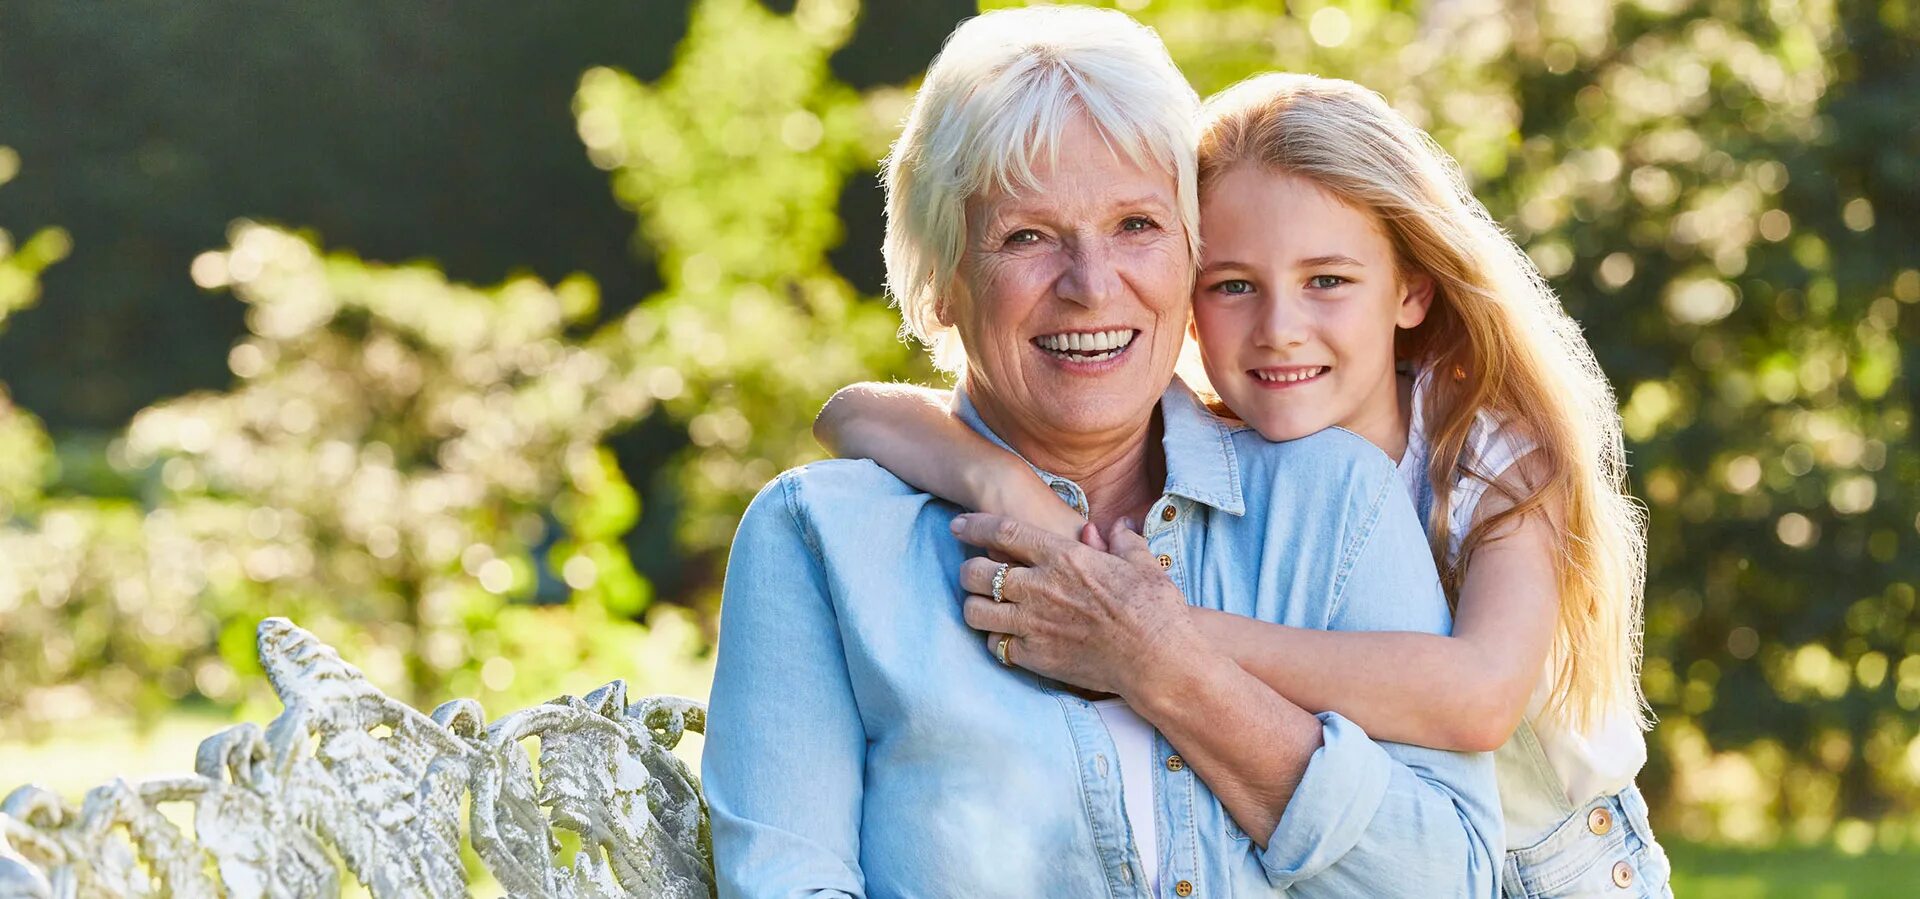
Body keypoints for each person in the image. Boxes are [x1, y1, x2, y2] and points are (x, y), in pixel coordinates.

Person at [703, 6, 1501, 898]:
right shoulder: (821, 542)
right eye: (1027, 237)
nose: (1091, 287)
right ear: (940, 284)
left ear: (1191, 257)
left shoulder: (1334, 498)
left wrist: (1164, 665)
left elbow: (1452, 878)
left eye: (1135, 226)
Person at [815, 73, 1670, 897]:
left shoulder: (1482, 443)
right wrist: (997, 484)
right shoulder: (1221, 452)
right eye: (1233, 287)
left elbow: (1477, 699)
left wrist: (1153, 635)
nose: (1280, 331)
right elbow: (857, 411)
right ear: (1185, 294)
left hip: (1556, 868)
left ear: (1412, 288)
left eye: (1326, 281)